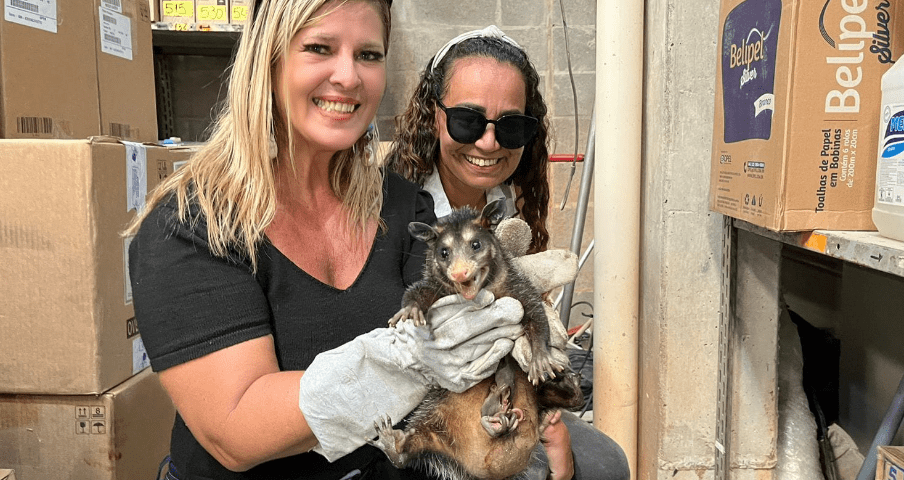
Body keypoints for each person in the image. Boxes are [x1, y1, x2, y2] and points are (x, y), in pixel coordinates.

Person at [126, 2, 534, 479]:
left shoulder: (400, 207)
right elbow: (235, 429)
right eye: (319, 48)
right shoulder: (193, 225)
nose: (349, 77)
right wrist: (405, 361)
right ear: (268, 60)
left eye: (368, 54)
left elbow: (460, 348)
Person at [387, 26, 632, 480]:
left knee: (606, 464)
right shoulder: (400, 215)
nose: (488, 143)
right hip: (439, 411)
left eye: (512, 126)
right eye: (467, 119)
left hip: (506, 396)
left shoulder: (502, 203)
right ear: (434, 116)